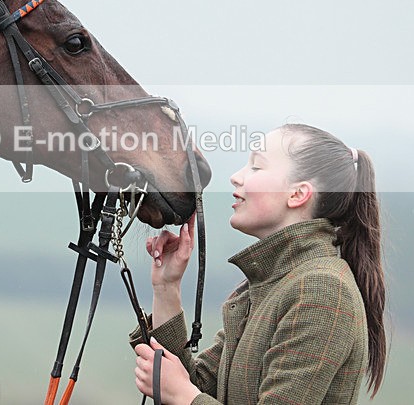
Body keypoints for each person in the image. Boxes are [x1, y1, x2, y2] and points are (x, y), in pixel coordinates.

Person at [131, 124, 387, 404]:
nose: (235, 177)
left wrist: (184, 396)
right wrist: (167, 287)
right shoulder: (272, 284)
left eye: (256, 167)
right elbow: (191, 384)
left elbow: (184, 392)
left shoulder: (321, 290)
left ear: (298, 194)